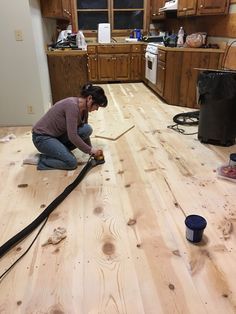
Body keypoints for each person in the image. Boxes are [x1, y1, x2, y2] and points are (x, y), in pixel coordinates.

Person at [23, 83, 108, 170]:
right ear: (89, 98)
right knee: (71, 163)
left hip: (56, 135)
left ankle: (59, 152)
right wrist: (90, 150)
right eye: (97, 105)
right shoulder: (72, 106)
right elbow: (72, 135)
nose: (97, 109)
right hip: (42, 138)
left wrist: (90, 150)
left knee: (86, 129)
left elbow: (82, 130)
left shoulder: (84, 109)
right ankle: (40, 159)